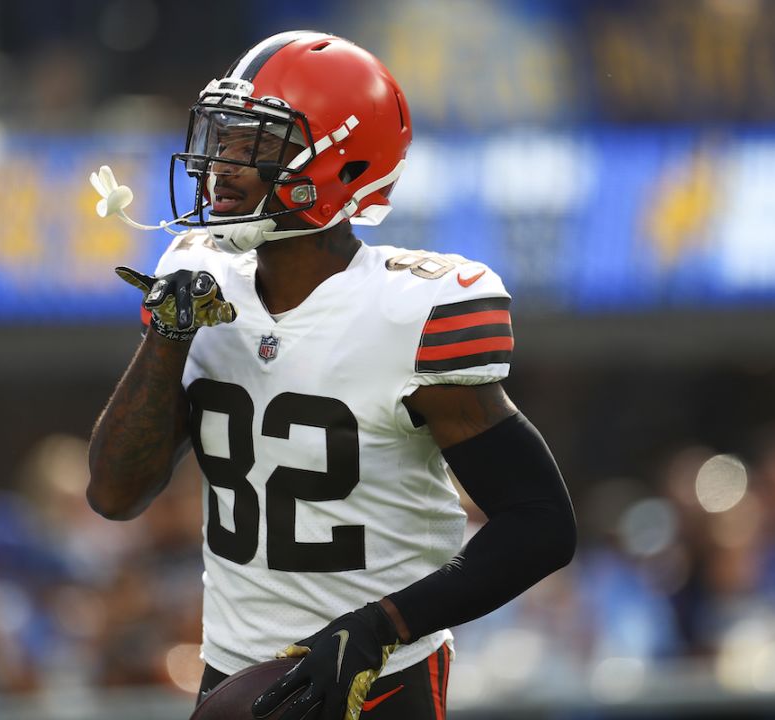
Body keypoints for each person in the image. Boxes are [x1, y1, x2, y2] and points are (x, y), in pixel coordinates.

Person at [86, 30, 576, 720]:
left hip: (373, 682)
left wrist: (384, 624)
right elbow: (113, 494)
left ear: (340, 167)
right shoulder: (197, 276)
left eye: (254, 145)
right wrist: (170, 336)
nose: (220, 166)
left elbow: (540, 523)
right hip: (232, 674)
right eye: (222, 138)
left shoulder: (408, 311)